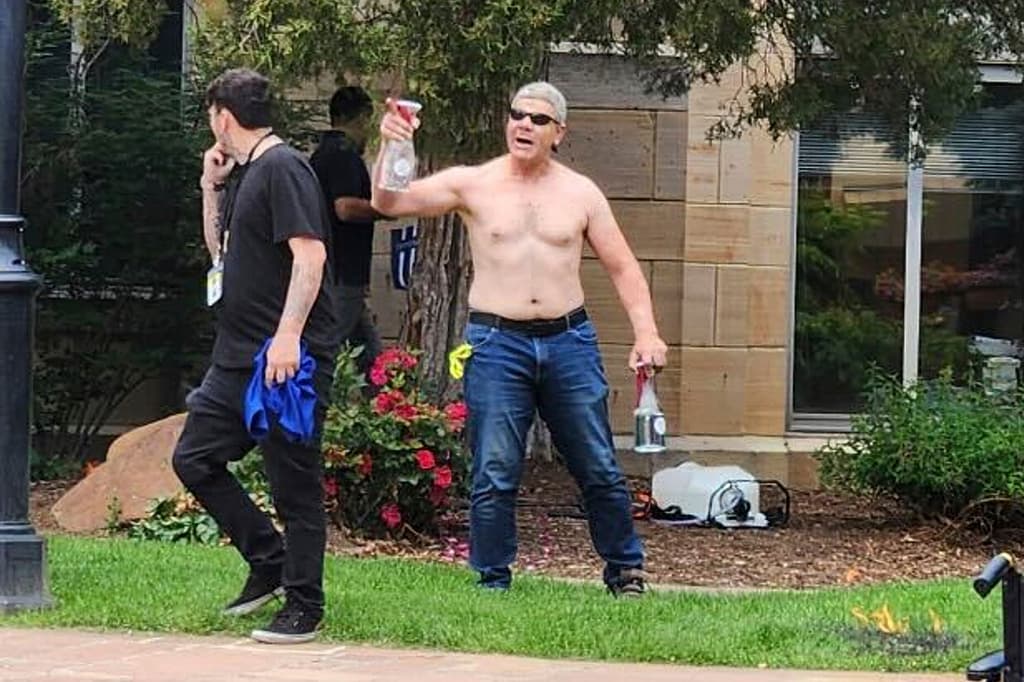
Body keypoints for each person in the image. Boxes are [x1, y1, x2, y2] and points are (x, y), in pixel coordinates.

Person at [371, 82, 668, 596]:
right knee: (495, 467)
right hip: (496, 342)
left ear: (559, 133)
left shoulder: (581, 193)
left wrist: (647, 332)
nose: (525, 125)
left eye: (538, 119)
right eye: (517, 115)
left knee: (597, 463)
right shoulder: (474, 184)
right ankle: (492, 579)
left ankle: (626, 571)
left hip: (568, 340)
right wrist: (392, 143)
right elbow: (389, 202)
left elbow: (623, 267)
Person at [171, 68, 339, 644]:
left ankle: (304, 604)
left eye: (210, 116)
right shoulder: (245, 173)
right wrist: (210, 187)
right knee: (195, 458)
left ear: (223, 116)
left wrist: (288, 336)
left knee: (294, 484)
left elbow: (310, 257)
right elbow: (220, 254)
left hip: (284, 359)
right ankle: (268, 560)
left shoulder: (284, 168)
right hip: (237, 357)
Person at [310, 86, 386, 374]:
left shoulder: (322, 154)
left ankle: (381, 396)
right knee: (325, 349)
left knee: (368, 353)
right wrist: (386, 208)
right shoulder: (343, 154)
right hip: (342, 272)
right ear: (362, 117)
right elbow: (345, 207)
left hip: (334, 268)